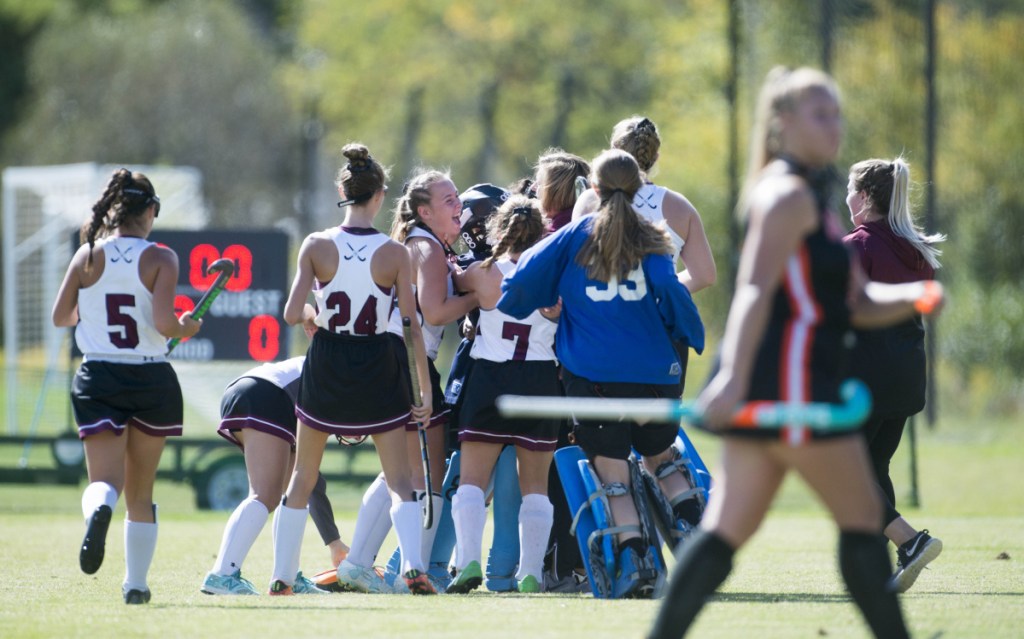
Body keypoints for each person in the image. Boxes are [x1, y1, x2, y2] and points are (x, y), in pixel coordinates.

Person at [646, 67, 942, 639]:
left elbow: (854, 300)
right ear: (783, 124)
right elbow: (753, 290)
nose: (835, 126)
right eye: (820, 114)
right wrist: (730, 379)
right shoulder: (785, 196)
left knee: (726, 535)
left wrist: (918, 293)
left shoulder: (811, 197)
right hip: (796, 389)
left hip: (783, 390)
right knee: (860, 525)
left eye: (837, 113)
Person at [498, 148, 706, 599]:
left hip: (593, 377)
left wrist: (541, 300)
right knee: (659, 452)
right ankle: (691, 523)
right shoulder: (651, 234)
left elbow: (515, 286)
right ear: (638, 189)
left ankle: (634, 559)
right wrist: (691, 333)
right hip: (655, 373)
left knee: (612, 473)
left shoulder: (573, 235)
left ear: (589, 188)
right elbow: (671, 290)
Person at [269, 143, 435, 596]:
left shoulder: (316, 244)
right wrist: (424, 393)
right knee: (400, 481)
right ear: (380, 195)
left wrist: (310, 315)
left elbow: (289, 313)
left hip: (328, 364)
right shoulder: (395, 253)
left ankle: (282, 576)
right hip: (378, 364)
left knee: (303, 475)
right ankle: (415, 568)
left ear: (342, 191)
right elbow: (410, 329)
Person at [52, 167, 202, 604]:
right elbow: (163, 323)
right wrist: (186, 327)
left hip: (98, 374)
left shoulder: (88, 255)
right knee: (142, 491)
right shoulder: (161, 258)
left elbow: (62, 317)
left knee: (105, 481)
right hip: (151, 376)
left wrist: (92, 314)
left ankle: (99, 508)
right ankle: (136, 585)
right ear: (150, 211)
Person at [335, 167, 478, 594]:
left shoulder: (422, 242)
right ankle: (411, 572)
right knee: (426, 478)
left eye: (458, 197)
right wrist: (480, 295)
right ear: (423, 210)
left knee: (397, 473)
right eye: (448, 199)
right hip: (409, 363)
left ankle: (359, 563)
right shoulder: (427, 247)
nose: (459, 206)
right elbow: (433, 312)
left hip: (393, 361)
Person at [447, 195, 561, 594]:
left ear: (500, 229)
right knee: (536, 486)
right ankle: (529, 572)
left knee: (472, 482)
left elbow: (451, 276)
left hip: (491, 380)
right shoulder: (554, 277)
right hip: (541, 382)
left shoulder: (482, 272)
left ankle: (467, 562)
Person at [844, 157, 945, 592]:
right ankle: (885, 566)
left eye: (851, 189)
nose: (847, 197)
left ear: (865, 197)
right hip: (905, 376)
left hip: (867, 379)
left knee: (847, 473)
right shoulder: (915, 248)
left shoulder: (857, 246)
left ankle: (910, 542)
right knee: (873, 467)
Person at [200, 356, 345, 595]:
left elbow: (309, 480)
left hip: (258, 392)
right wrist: (334, 542)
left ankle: (286, 577)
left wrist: (334, 542)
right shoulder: (341, 379)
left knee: (292, 488)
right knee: (264, 495)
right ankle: (221, 575)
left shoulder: (338, 367)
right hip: (266, 395)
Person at [574, 116, 717, 295]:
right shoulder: (680, 206)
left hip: (598, 318)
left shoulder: (590, 199)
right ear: (655, 157)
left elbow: (574, 263)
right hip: (655, 321)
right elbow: (705, 276)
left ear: (614, 151)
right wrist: (655, 292)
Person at [534, 149, 590, 232]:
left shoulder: (555, 235)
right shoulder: (587, 224)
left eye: (539, 183)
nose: (533, 187)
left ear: (555, 191)